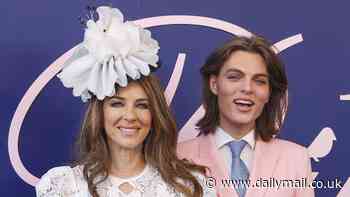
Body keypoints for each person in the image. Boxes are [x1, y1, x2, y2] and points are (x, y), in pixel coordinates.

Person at [36, 5, 215, 197]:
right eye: (117, 103)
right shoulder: (63, 186)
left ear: (155, 114)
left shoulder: (190, 185)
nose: (130, 116)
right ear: (99, 112)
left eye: (142, 105)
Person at [177, 35, 315, 197]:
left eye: (259, 81)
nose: (247, 88)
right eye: (234, 77)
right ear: (214, 84)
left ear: (269, 92)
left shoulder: (296, 157)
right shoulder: (177, 157)